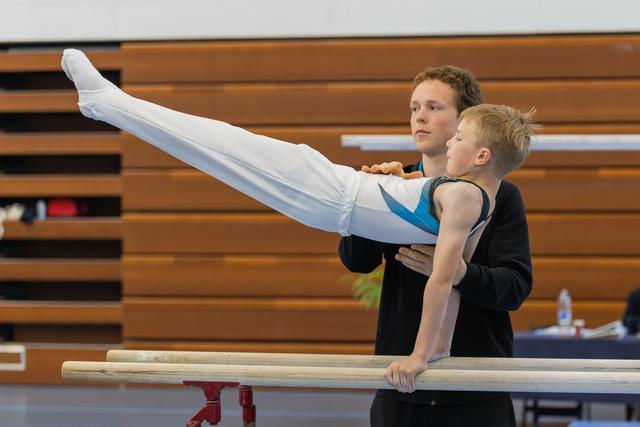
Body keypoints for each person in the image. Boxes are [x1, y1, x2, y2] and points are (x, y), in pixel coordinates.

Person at [61, 49, 534, 409]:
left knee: (226, 147)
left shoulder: (467, 197)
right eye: (415, 108)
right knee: (226, 149)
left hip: (330, 196)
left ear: (480, 156)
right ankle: (107, 104)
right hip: (337, 194)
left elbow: (443, 281)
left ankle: (106, 101)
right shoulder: (473, 197)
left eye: (453, 131)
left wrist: (420, 355)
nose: (428, 126)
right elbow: (438, 281)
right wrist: (435, 352)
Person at [340, 66, 533, 427]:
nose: (419, 117)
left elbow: (515, 288)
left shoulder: (502, 196)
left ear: (465, 120)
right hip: (401, 378)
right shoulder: (398, 186)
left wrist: (460, 273)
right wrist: (367, 200)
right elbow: (357, 261)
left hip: (475, 381)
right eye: (414, 108)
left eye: (433, 107)